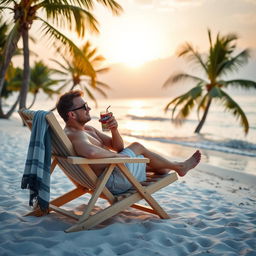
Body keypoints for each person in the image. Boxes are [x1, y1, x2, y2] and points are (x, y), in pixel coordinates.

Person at [56, 90, 201, 194]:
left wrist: (114, 129)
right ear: (72, 114)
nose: (89, 108)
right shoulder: (75, 134)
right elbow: (91, 151)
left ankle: (172, 166)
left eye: (86, 104)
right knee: (137, 146)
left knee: (162, 169)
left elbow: (118, 147)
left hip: (114, 172)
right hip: (111, 181)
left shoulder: (87, 129)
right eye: (84, 107)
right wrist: (120, 158)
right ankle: (180, 167)